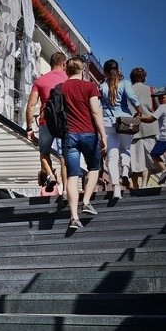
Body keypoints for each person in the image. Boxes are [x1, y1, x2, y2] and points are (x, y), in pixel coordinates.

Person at [59, 56, 108, 230]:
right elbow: (96, 112)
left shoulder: (60, 88)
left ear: (67, 70)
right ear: (83, 70)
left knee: (73, 176)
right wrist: (103, 135)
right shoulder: (90, 87)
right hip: (88, 134)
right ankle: (86, 202)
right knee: (94, 168)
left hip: (69, 135)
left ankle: (73, 217)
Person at [25, 51, 68, 194]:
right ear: (64, 64)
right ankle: (67, 190)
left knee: (44, 153)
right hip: (63, 122)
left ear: (50, 64)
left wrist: (29, 127)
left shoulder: (40, 81)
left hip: (46, 121)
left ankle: (50, 176)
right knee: (63, 157)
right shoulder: (68, 79)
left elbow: (31, 106)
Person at [99, 59, 142, 200]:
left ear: (105, 72)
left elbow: (99, 106)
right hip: (124, 122)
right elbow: (132, 98)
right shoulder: (125, 83)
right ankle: (124, 170)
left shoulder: (102, 86)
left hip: (108, 123)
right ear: (117, 70)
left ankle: (116, 188)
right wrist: (139, 111)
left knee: (112, 156)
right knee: (125, 149)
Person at [128, 68, 159, 188]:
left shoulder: (128, 90)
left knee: (134, 159)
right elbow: (156, 108)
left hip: (131, 127)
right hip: (150, 127)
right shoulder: (151, 90)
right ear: (144, 78)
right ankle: (145, 184)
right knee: (148, 160)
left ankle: (135, 185)